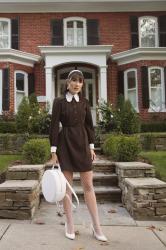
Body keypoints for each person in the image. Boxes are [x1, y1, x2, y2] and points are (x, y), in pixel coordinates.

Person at [48, 69, 107, 242]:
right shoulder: (59, 102)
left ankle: (96, 227)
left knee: (88, 185)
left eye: (80, 81)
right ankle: (70, 224)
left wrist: (91, 147)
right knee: (67, 188)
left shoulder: (85, 102)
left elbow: (89, 125)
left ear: (82, 84)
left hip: (82, 144)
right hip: (64, 144)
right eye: (74, 80)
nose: (77, 84)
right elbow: (53, 127)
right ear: (68, 83)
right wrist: (53, 151)